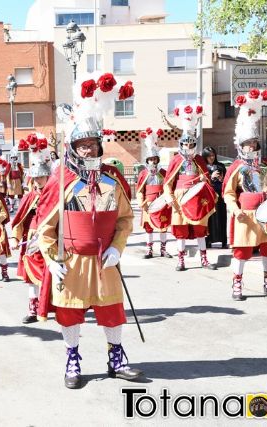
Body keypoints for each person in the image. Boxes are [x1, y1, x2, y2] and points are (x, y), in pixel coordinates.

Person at [35, 73, 142, 389]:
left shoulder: (111, 180)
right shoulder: (60, 183)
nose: (88, 152)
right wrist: (53, 261)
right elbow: (45, 228)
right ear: (72, 148)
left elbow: (125, 220)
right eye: (82, 146)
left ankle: (116, 357)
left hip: (105, 261)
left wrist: (117, 248)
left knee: (111, 310)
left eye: (92, 146)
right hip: (72, 262)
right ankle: (72, 358)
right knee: (70, 314)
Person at [223, 89, 267, 301]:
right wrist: (236, 211)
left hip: (266, 213)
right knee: (242, 253)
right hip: (245, 215)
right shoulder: (236, 167)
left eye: (254, 142)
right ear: (241, 145)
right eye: (248, 143)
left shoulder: (266, 165)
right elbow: (228, 193)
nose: (252, 146)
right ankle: (237, 285)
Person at [164, 104, 217, 272]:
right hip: (179, 199)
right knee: (180, 230)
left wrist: (204, 178)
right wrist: (170, 199)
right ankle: (181, 260)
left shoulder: (200, 160)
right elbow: (167, 182)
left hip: (196, 199)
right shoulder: (175, 160)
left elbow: (207, 180)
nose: (187, 147)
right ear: (181, 144)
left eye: (191, 144)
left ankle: (204, 259)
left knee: (200, 229)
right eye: (185, 144)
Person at [10, 136, 51, 323]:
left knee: (53, 274)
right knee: (30, 277)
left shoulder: (56, 195)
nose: (37, 181)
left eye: (41, 177)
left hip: (52, 240)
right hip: (32, 240)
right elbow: (19, 220)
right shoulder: (30, 196)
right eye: (35, 178)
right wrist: (15, 238)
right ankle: (33, 309)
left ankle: (54, 306)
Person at [136, 128, 172, 259]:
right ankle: (149, 250)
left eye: (154, 159)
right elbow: (140, 190)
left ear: (157, 159)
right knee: (148, 228)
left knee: (163, 227)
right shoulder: (143, 174)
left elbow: (168, 187)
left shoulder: (163, 173)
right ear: (147, 160)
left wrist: (167, 200)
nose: (152, 161)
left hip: (161, 203)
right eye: (150, 159)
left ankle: (163, 250)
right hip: (147, 204)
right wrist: (141, 203)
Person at [203, 146, 228, 249]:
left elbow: (226, 180)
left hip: (220, 194)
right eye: (209, 156)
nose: (211, 158)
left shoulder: (221, 166)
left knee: (222, 217)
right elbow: (200, 181)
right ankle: (208, 240)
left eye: (213, 155)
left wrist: (222, 179)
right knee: (209, 218)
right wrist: (211, 177)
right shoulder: (203, 167)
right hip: (208, 195)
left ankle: (223, 240)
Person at [6, 144, 25, 213]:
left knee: (20, 195)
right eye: (13, 158)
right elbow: (7, 174)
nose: (14, 159)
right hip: (12, 182)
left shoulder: (19, 165)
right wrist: (8, 183)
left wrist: (23, 182)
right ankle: (12, 208)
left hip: (18, 181)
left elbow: (22, 174)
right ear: (11, 158)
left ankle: (20, 207)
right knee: (11, 195)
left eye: (15, 158)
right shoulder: (9, 165)